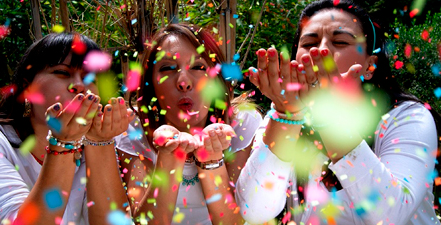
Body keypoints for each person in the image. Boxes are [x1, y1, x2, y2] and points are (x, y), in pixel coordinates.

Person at [236, 0, 440, 224]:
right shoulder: (280, 117)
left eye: (340, 42)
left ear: (370, 66)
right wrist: (287, 115)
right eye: (308, 42)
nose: (319, 50)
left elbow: (391, 215)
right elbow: (254, 211)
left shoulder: (408, 117)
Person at [116, 23, 261, 225]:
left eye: (198, 67)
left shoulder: (241, 124)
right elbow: (145, 222)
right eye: (167, 68)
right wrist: (169, 157)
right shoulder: (134, 130)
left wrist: (210, 159)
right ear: (151, 84)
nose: (184, 81)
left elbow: (235, 221)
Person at [0, 32, 135, 225]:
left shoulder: (96, 141)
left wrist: (100, 142)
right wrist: (63, 144)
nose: (78, 86)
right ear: (27, 87)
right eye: (62, 73)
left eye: (89, 78)